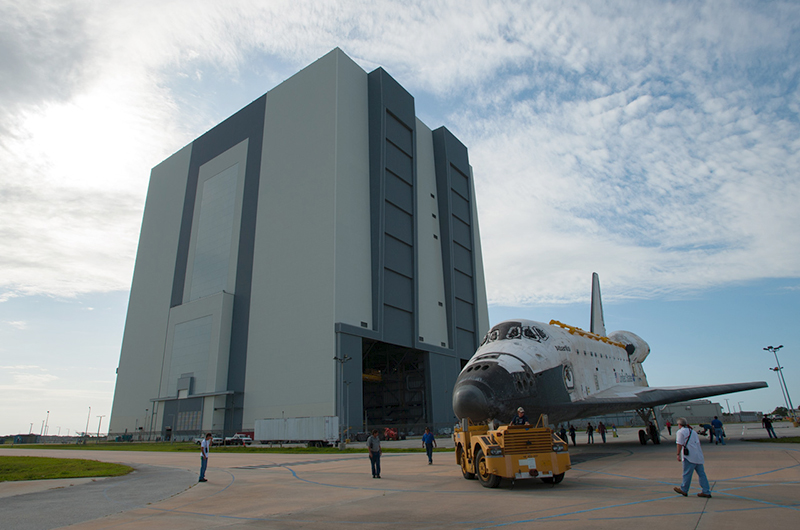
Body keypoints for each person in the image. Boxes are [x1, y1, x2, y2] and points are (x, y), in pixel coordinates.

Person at [674, 418, 712, 498]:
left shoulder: (680, 432)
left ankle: (684, 489)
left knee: (687, 473)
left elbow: (679, 444)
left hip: (689, 456)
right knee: (702, 474)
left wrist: (678, 454)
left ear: (679, 425)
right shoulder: (693, 432)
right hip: (698, 455)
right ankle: (706, 491)